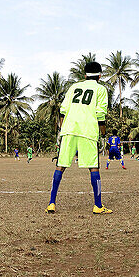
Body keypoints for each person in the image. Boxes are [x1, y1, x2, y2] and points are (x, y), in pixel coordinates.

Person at [47, 61, 110, 214]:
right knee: (93, 167)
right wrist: (103, 134)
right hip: (88, 130)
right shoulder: (101, 89)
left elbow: (63, 110)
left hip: (68, 129)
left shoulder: (73, 87)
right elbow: (100, 114)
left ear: (84, 75)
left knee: (60, 165)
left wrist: (62, 131)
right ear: (100, 75)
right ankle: (98, 205)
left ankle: (51, 203)